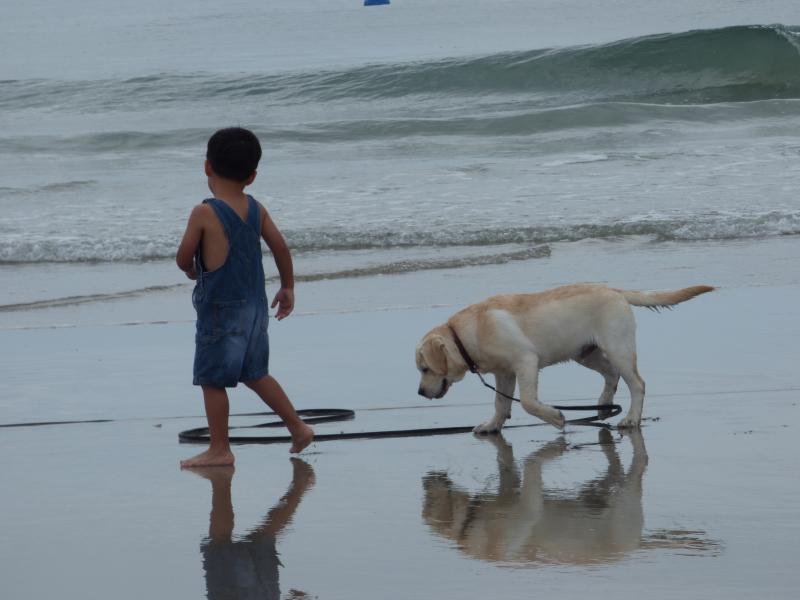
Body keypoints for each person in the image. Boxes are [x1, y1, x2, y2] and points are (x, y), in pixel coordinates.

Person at [176, 127, 314, 467]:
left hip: (220, 312)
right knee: (255, 373)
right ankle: (297, 427)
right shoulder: (256, 208)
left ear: (207, 167)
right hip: (255, 308)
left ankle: (220, 449)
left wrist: (192, 270)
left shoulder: (204, 212)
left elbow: (183, 257)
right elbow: (280, 246)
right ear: (252, 176)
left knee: (212, 380)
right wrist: (288, 286)